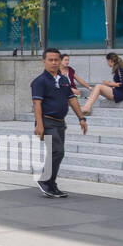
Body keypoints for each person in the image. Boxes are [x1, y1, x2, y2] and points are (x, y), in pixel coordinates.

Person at [31, 48, 89, 198]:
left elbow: (72, 99)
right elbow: (37, 104)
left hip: (60, 123)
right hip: (47, 122)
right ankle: (45, 181)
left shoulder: (64, 80)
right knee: (57, 151)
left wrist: (81, 118)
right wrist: (39, 125)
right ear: (44, 61)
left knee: (57, 153)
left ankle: (51, 185)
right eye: (50, 60)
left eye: (56, 60)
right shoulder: (39, 81)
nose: (54, 62)